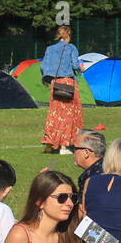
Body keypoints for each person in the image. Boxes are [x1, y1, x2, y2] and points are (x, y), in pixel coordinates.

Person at [39, 25, 82, 153]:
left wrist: (47, 78)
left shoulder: (50, 49)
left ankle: (49, 143)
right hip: (68, 83)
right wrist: (80, 69)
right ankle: (64, 146)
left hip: (55, 83)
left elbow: (43, 66)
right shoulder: (71, 48)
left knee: (54, 114)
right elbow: (75, 64)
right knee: (70, 115)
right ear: (68, 35)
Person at [71, 128, 106, 195]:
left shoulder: (91, 180)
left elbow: (82, 205)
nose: (72, 151)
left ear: (86, 152)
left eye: (74, 148)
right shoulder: (109, 169)